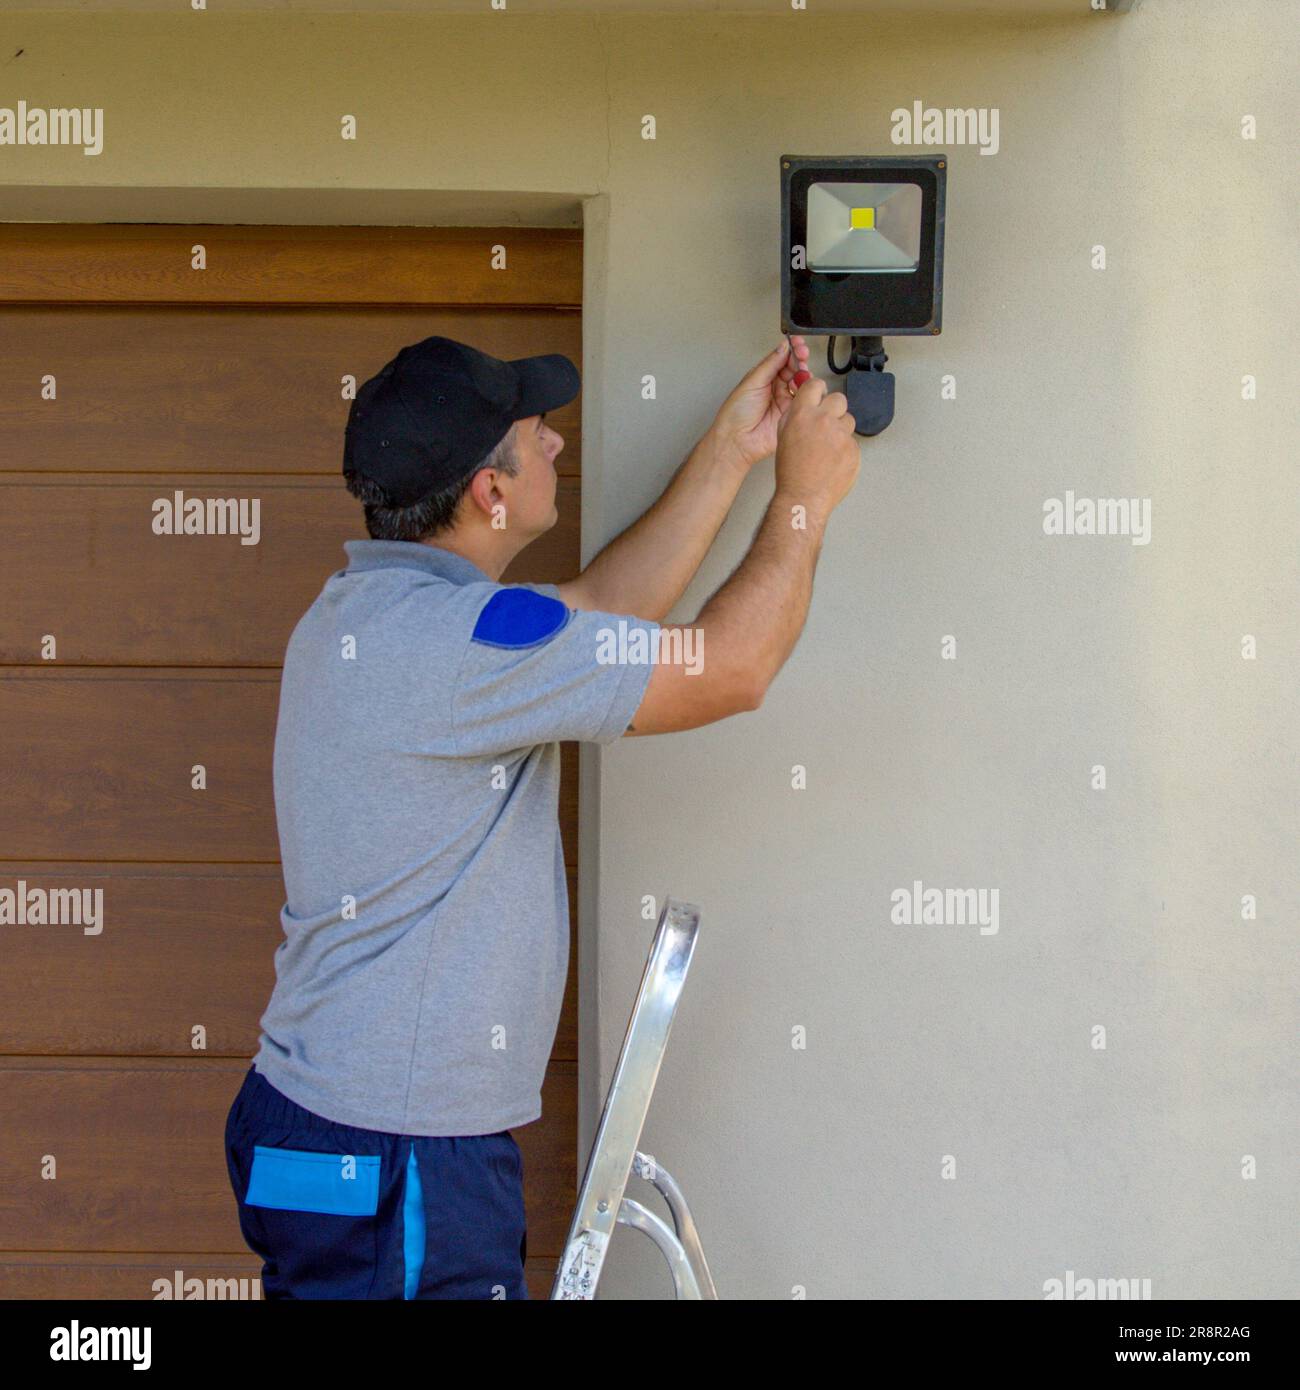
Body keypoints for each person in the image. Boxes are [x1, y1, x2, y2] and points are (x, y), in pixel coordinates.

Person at [223, 333, 859, 1299]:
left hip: (334, 1123)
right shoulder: (457, 650)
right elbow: (730, 668)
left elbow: (603, 606)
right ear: (490, 491)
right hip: (397, 1153)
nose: (558, 447)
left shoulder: (363, 616)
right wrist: (805, 501)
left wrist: (734, 451)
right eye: (536, 434)